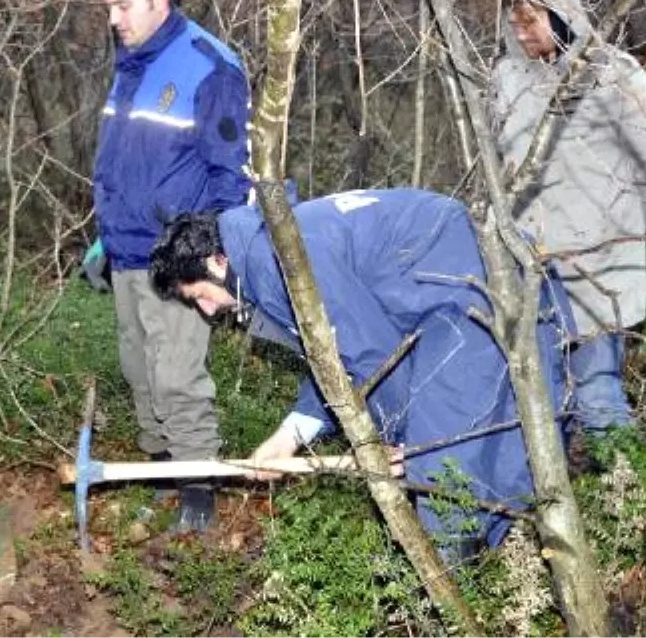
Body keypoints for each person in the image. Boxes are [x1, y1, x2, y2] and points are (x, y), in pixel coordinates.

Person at [149, 188, 573, 560]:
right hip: (480, 282)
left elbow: (371, 356)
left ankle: (457, 592)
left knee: (443, 473)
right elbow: (334, 356)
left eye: (200, 295)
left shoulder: (271, 262)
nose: (208, 310)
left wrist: (396, 438)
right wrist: (288, 437)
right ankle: (489, 580)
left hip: (472, 293)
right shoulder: (271, 241)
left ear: (217, 260)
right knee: (486, 457)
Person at [491, 0, 646, 437]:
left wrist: (616, 225)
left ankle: (621, 482)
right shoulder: (505, 79)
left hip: (598, 268)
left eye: (531, 20)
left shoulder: (612, 74)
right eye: (515, 21)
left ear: (561, 14)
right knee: (537, 397)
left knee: (596, 394)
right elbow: (497, 168)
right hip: (527, 270)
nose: (521, 32)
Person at [94, 0, 251, 532]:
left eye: (124, 6)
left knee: (177, 377)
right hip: (125, 249)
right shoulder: (130, 63)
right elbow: (123, 161)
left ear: (160, 0)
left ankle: (197, 499)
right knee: (139, 370)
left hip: (178, 260)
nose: (114, 19)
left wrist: (213, 257)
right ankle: (163, 477)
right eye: (109, 7)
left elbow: (232, 174)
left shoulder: (209, 65)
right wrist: (102, 236)